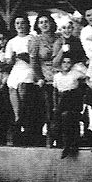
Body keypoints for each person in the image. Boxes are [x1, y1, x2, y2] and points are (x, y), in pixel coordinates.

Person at [33, 12, 58, 147]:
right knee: (49, 109)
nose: (44, 24)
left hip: (60, 75)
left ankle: (60, 137)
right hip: (46, 77)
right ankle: (49, 137)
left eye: (46, 21)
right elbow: (34, 62)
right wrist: (39, 78)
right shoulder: (36, 40)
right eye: (41, 22)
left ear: (52, 23)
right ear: (38, 25)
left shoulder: (59, 37)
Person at [53, 54, 85, 158]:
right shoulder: (57, 76)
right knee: (62, 118)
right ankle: (66, 144)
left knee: (69, 117)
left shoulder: (75, 73)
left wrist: (80, 65)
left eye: (68, 62)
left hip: (73, 98)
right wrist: (55, 105)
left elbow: (87, 75)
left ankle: (71, 145)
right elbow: (55, 92)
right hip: (62, 99)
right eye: (64, 62)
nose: (66, 64)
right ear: (60, 64)